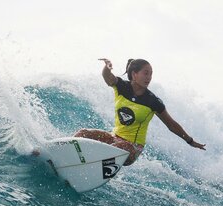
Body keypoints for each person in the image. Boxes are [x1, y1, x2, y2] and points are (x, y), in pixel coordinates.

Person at [74, 58, 205, 165]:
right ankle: (65, 157)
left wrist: (190, 141)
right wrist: (107, 67)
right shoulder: (121, 87)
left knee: (119, 147)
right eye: (146, 73)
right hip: (114, 138)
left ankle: (90, 166)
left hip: (132, 148)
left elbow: (171, 125)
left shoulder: (153, 101)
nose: (149, 77)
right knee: (83, 133)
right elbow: (107, 77)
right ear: (134, 74)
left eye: (151, 73)